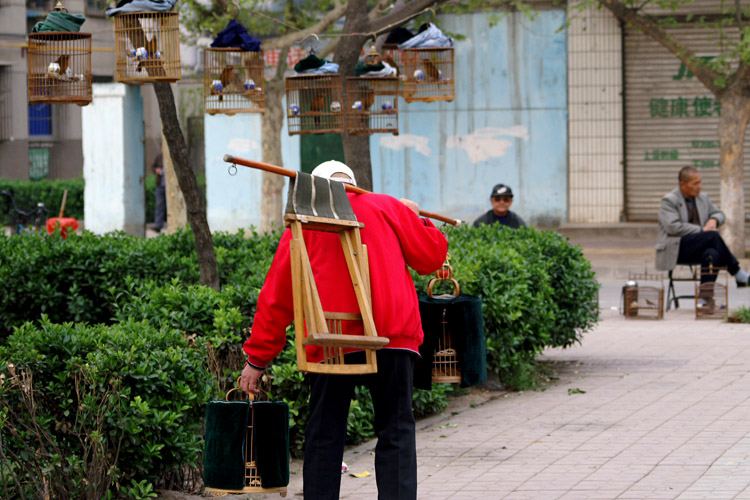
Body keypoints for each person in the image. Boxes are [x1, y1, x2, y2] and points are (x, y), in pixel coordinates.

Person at [240, 160, 448, 500]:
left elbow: (276, 297)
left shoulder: (304, 221)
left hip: (331, 338)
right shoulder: (388, 205)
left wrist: (257, 360)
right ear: (352, 183)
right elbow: (432, 257)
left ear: (319, 189)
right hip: (394, 337)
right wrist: (417, 217)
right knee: (396, 432)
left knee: (325, 434)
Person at [656, 166, 748, 303]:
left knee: (712, 253)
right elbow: (672, 227)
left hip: (698, 247)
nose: (700, 186)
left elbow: (720, 213)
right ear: (683, 185)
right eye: (695, 183)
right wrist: (702, 230)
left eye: (700, 182)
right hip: (677, 248)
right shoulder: (669, 201)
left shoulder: (702, 198)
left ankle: (704, 299)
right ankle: (738, 273)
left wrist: (713, 220)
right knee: (712, 236)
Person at [152, 151, 166, 232]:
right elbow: (153, 167)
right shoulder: (159, 156)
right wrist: (156, 170)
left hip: (169, 186)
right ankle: (158, 225)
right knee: (159, 205)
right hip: (160, 185)